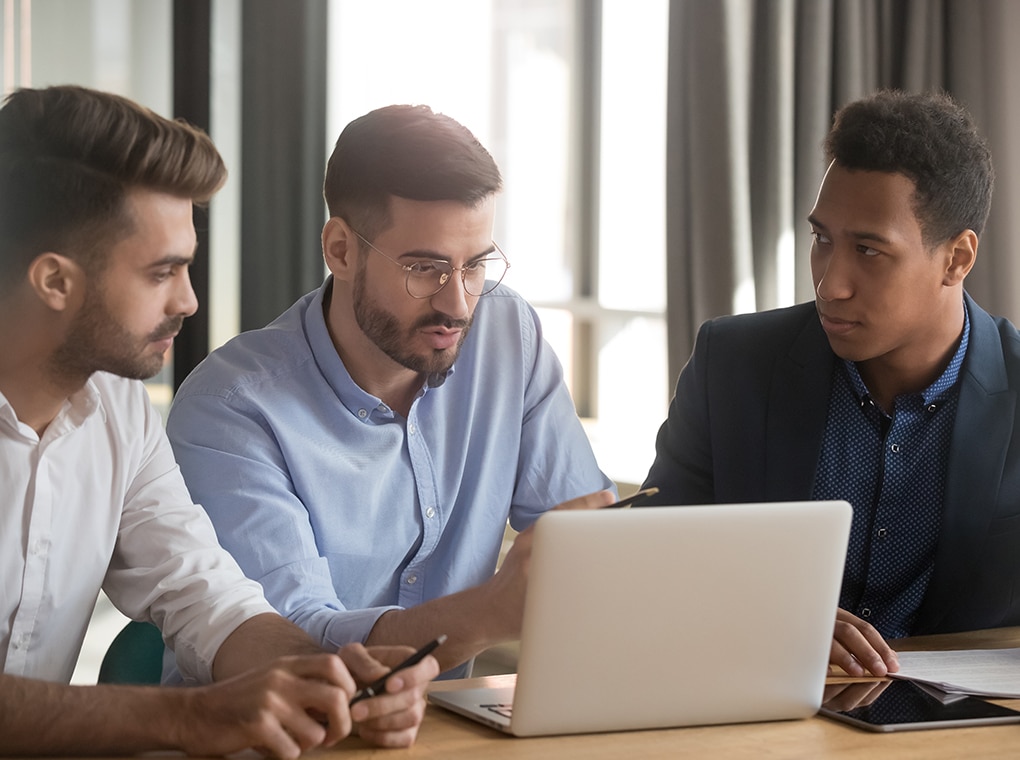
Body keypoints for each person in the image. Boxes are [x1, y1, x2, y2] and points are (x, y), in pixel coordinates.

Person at [0, 85, 436, 758]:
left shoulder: (119, 413)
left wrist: (326, 680)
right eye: (161, 273)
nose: (190, 300)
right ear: (55, 281)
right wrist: (189, 718)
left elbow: (205, 597)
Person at [165, 104, 615, 679]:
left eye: (475, 265)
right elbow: (289, 648)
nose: (458, 304)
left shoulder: (508, 335)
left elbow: (580, 542)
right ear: (340, 250)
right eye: (425, 268)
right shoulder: (231, 409)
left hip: (445, 733)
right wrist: (487, 614)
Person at [640, 89, 1020, 678]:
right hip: (757, 710)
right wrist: (773, 619)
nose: (830, 283)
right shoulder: (733, 364)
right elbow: (650, 563)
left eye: (869, 250)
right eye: (823, 240)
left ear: (957, 258)